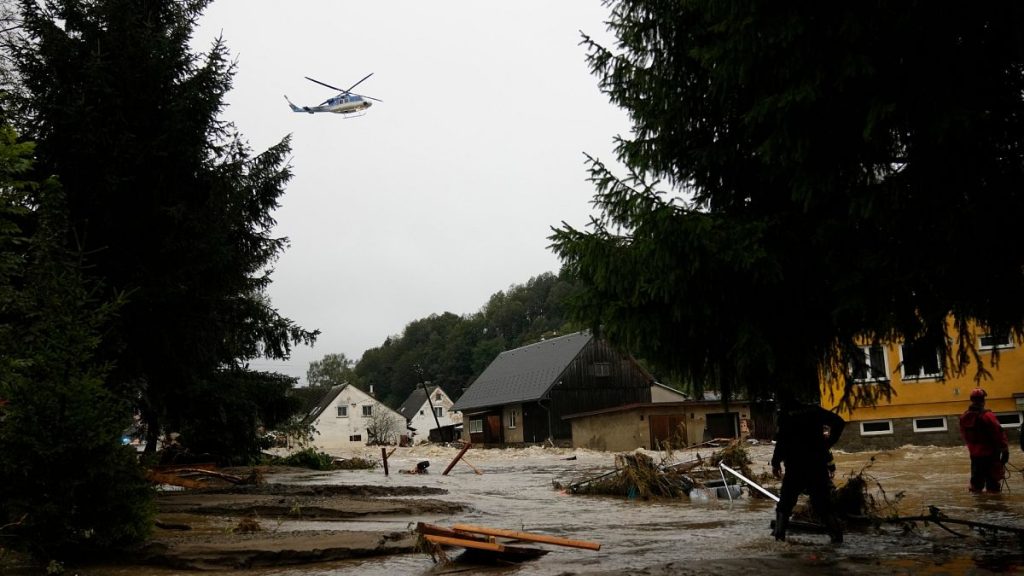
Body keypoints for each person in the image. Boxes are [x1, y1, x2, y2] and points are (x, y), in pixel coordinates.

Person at [770, 400, 846, 544]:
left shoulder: (786, 415)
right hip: (816, 465)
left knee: (785, 504)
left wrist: (775, 463)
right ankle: (837, 539)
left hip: (795, 466)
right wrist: (827, 443)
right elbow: (839, 423)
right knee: (823, 503)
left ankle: (779, 538)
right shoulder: (815, 411)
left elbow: (781, 441)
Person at [959, 388, 1008, 493]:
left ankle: (979, 506)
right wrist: (1004, 449)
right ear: (983, 400)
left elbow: (964, 435)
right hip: (990, 454)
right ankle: (993, 507)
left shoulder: (964, 417)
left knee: (976, 483)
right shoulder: (988, 415)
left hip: (975, 455)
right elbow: (998, 432)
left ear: (971, 400)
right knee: (993, 484)